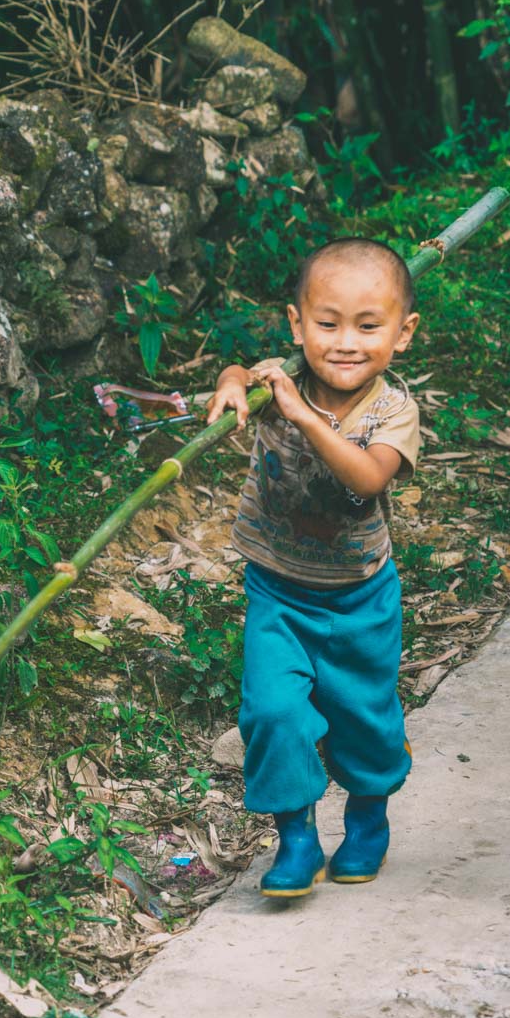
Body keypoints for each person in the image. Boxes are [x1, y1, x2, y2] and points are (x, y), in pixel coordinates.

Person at [206, 237, 420, 898]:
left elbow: (364, 476)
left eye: (368, 326)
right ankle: (296, 837)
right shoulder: (281, 379)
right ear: (298, 324)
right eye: (327, 325)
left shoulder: (394, 413)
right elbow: (241, 371)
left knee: (364, 720)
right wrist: (233, 385)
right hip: (278, 592)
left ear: (403, 333)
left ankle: (367, 818)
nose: (345, 343)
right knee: (273, 713)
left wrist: (302, 415)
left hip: (361, 600)